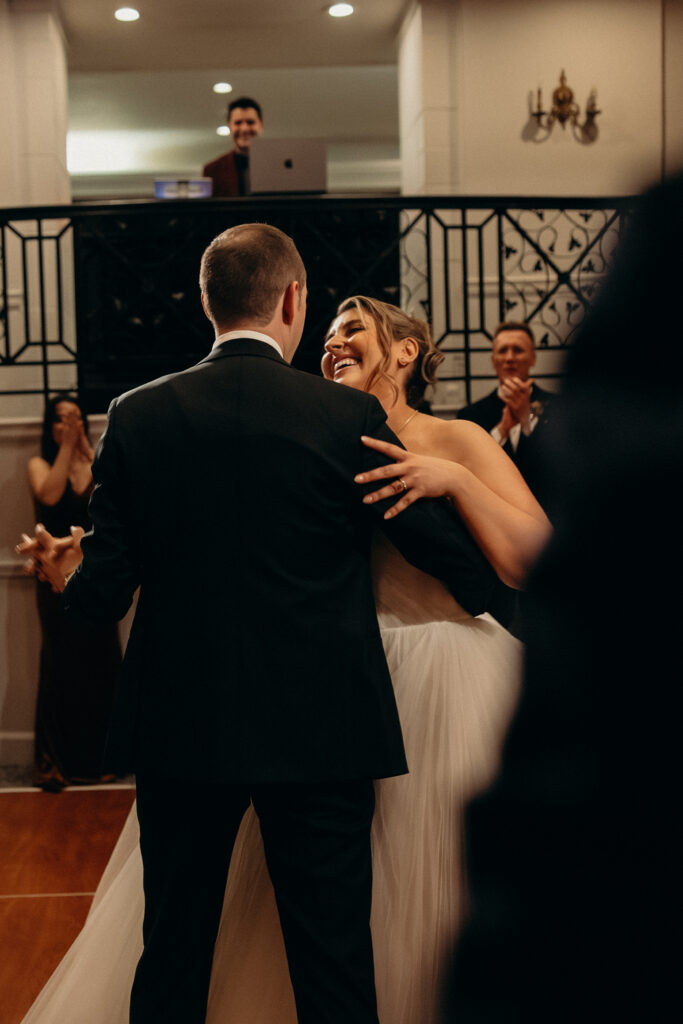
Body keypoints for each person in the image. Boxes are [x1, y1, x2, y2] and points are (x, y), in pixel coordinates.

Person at [18, 291, 549, 1024]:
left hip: (435, 673)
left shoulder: (451, 438)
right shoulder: (324, 431)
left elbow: (517, 564)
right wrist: (91, 560)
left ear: (404, 351)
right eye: (327, 333)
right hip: (336, 686)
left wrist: (452, 479)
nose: (332, 344)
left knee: (433, 890)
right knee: (325, 916)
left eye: (353, 331)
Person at [442, 171, 683, 1024]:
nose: (508, 365)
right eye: (499, 355)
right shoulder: (476, 420)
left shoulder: (606, 431)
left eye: (518, 355)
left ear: (534, 359)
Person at [25, 394, 120, 791]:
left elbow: (107, 499)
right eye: (63, 419)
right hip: (51, 576)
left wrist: (85, 448)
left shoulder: (89, 460)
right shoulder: (38, 463)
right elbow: (49, 494)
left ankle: (98, 760)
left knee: (99, 661)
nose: (72, 424)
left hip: (91, 574)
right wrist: (66, 446)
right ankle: (57, 763)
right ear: (51, 426)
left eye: (77, 418)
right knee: (60, 663)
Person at [456, 322, 555, 509]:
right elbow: (468, 471)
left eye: (518, 350)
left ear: (533, 357)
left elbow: (560, 467)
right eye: (503, 351)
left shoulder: (557, 408)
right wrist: (502, 430)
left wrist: (527, 419)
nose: (509, 358)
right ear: (494, 360)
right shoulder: (470, 415)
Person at [202, 96, 263, 196]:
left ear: (261, 125)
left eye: (250, 122)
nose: (244, 129)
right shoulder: (213, 170)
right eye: (238, 123)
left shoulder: (277, 165)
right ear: (230, 126)